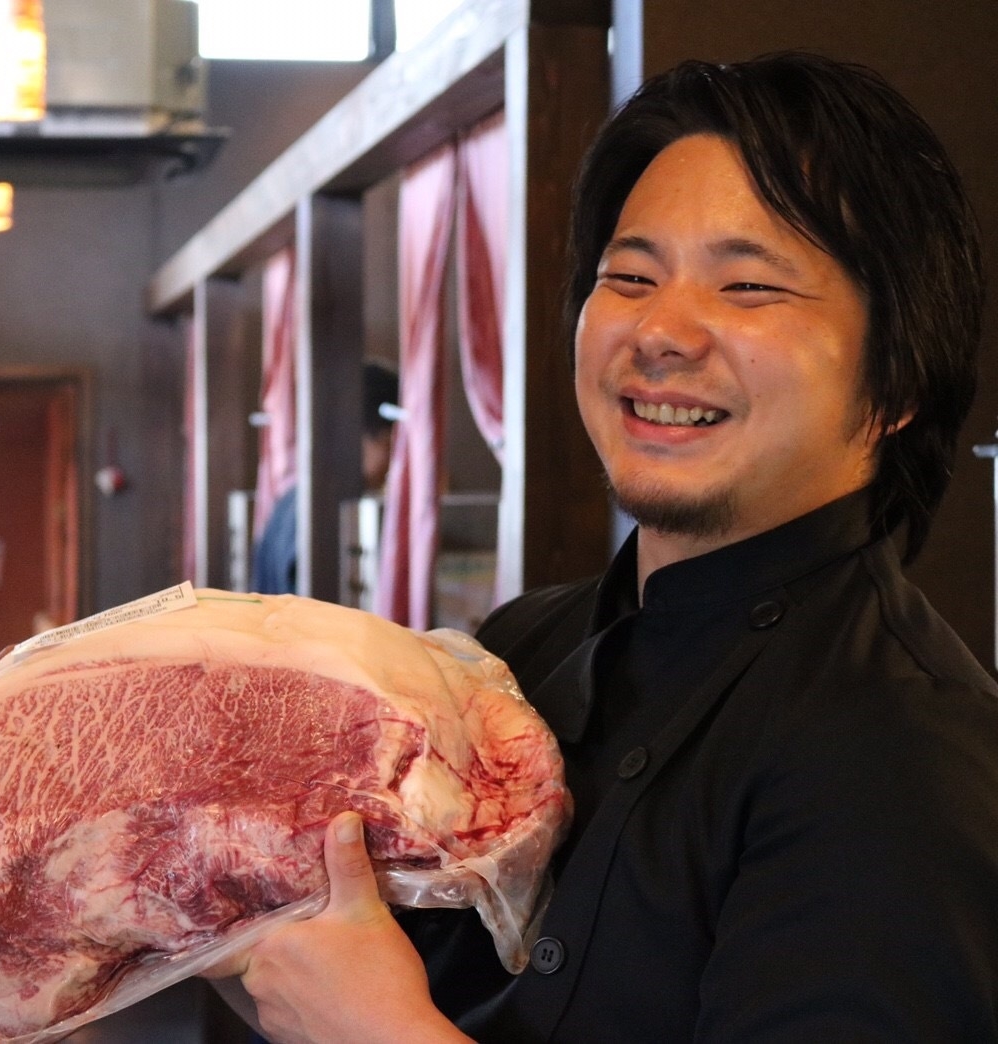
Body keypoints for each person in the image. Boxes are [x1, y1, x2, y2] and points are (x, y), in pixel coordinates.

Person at [212, 51, 998, 1041]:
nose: (660, 329)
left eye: (748, 287)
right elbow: (344, 974)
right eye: (628, 275)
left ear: (896, 384)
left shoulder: (903, 755)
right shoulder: (516, 651)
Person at [250, 362, 400, 595]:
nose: (395, 459)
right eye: (391, 442)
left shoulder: (290, 500)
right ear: (369, 435)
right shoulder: (326, 514)